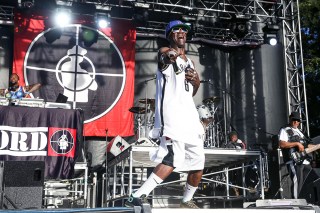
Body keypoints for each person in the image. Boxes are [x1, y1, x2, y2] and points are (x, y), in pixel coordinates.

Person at [125, 20, 205, 209]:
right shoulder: (165, 53)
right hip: (173, 116)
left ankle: (186, 200)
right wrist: (169, 55)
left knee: (199, 161)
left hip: (190, 117)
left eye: (184, 30)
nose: (181, 33)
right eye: (176, 30)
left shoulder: (190, 62)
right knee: (173, 158)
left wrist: (197, 84)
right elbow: (164, 57)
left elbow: (189, 94)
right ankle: (137, 195)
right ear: (169, 35)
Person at [278, 111, 314, 199]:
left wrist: (316, 147)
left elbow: (307, 145)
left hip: (305, 160)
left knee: (309, 180)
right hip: (294, 159)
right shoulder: (285, 129)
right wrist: (297, 144)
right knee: (297, 181)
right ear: (290, 119)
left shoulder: (301, 132)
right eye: (294, 120)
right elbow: (282, 144)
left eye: (298, 120)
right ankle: (296, 203)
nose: (296, 122)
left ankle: (306, 200)